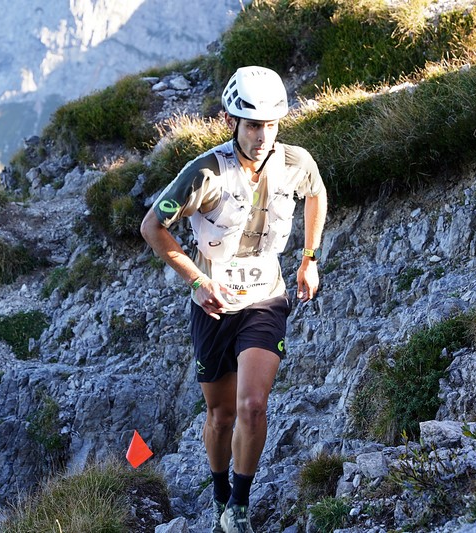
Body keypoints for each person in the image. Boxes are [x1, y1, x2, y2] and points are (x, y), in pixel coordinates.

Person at [140, 65, 327, 533]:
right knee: (221, 415)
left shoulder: (296, 162)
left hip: (265, 299)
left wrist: (309, 258)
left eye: (271, 125)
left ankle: (238, 510)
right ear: (230, 121)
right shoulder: (204, 173)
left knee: (252, 406)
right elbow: (152, 226)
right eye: (252, 125)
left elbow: (316, 193)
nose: (262, 136)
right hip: (214, 305)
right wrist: (196, 281)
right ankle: (220, 493)